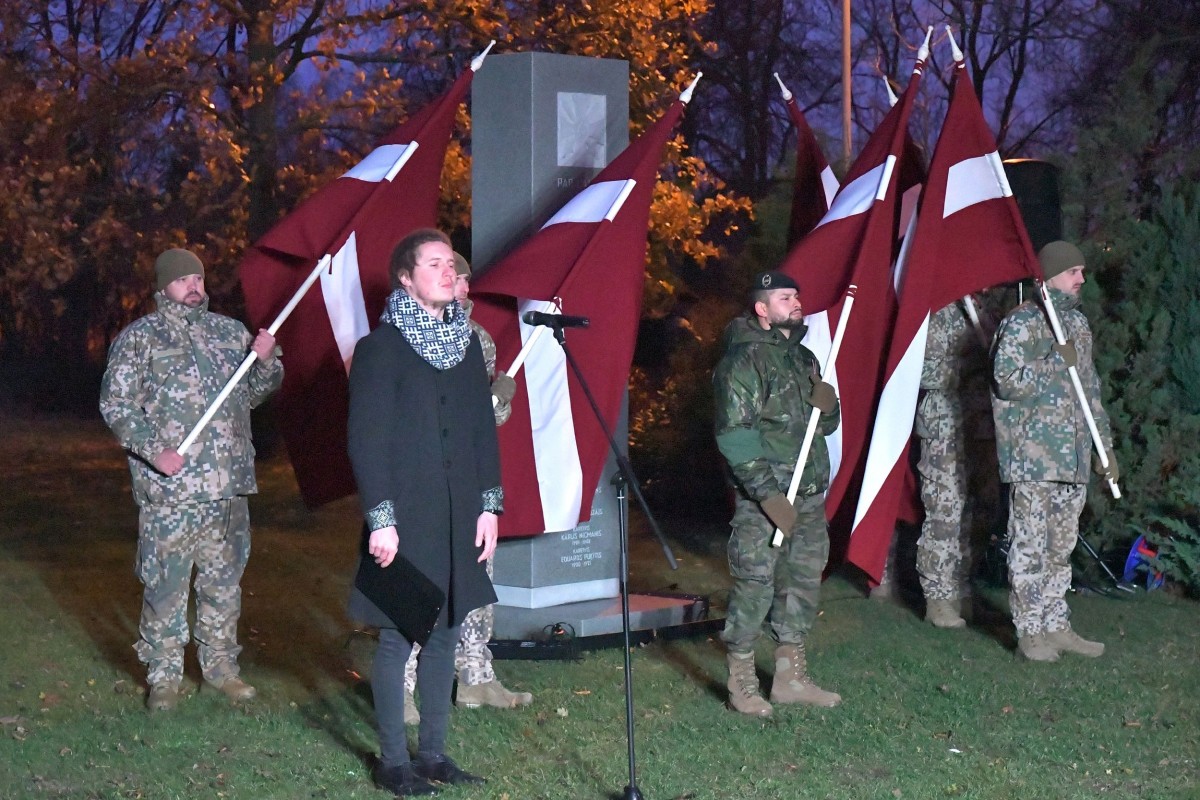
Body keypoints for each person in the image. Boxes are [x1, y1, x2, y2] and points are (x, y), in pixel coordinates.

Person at [347, 228, 500, 795]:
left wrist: (489, 507)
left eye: (450, 263)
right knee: (398, 638)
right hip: (405, 518)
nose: (447, 270)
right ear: (406, 279)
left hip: (459, 515)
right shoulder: (380, 349)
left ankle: (433, 755)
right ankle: (393, 763)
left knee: (445, 635)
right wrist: (381, 519)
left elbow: (482, 432)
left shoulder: (465, 346)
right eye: (433, 263)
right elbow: (366, 440)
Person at [99, 248, 282, 712]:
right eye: (183, 280)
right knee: (166, 586)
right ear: (164, 287)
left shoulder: (229, 333)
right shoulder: (140, 338)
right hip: (172, 491)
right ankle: (164, 676)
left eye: (198, 278)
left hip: (227, 487)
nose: (193, 286)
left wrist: (265, 362)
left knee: (223, 584)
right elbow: (116, 405)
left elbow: (253, 394)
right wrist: (153, 450)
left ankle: (221, 670)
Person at [401, 251, 529, 724]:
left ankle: (475, 676)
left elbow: (482, 425)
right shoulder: (406, 335)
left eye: (466, 280)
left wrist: (498, 402)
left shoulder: (478, 339)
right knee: (417, 582)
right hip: (424, 481)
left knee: (476, 578)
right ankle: (401, 685)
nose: (465, 288)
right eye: (456, 279)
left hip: (469, 480)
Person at [712, 270, 842, 717]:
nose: (796, 302)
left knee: (802, 580)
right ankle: (741, 680)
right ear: (762, 309)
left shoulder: (804, 358)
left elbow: (824, 427)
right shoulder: (743, 362)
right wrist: (768, 497)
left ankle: (789, 678)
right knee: (755, 584)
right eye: (785, 297)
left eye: (796, 295)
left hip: (807, 493)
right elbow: (735, 435)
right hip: (765, 499)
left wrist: (828, 405)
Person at [992, 241, 1116, 662]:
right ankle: (1030, 632)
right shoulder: (1023, 322)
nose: (1081, 278)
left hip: (1073, 456)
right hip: (1034, 457)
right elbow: (1005, 381)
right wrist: (1052, 362)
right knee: (1029, 546)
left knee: (1060, 548)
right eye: (1073, 271)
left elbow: (1091, 390)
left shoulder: (1077, 324)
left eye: (1081, 271)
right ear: (1048, 277)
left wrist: (1105, 449)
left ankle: (1056, 624)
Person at [915, 296, 1002, 628]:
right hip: (945, 425)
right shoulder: (937, 314)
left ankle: (963, 591)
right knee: (945, 510)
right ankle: (938, 597)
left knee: (980, 511)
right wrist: (970, 367)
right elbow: (922, 371)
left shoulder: (984, 310)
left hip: (982, 425)